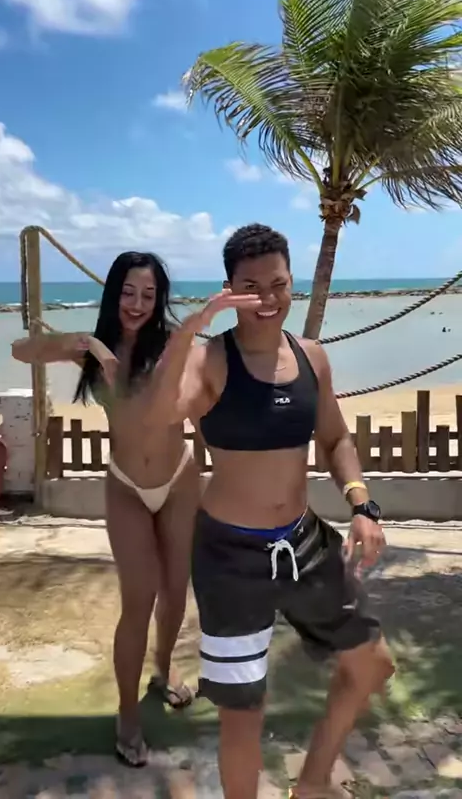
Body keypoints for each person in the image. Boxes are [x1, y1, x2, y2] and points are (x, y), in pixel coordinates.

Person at [142, 225, 395, 799]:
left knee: (372, 664)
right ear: (229, 288)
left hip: (304, 543)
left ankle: (312, 783)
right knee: (243, 716)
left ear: (291, 282)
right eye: (251, 287)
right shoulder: (209, 360)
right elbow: (159, 413)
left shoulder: (311, 357)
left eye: (278, 284)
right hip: (230, 558)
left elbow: (335, 439)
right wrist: (189, 330)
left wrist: (362, 504)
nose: (268, 298)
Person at [11, 251, 259, 767]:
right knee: (138, 598)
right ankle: (127, 712)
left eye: (149, 294)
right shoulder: (94, 347)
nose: (138, 304)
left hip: (178, 480)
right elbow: (19, 350)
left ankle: (164, 671)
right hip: (126, 486)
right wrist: (82, 344)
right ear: (113, 293)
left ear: (159, 299)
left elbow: (157, 410)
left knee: (175, 590)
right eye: (128, 292)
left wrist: (181, 334)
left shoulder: (174, 346)